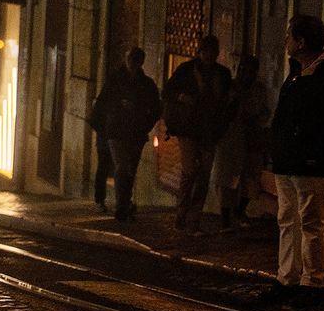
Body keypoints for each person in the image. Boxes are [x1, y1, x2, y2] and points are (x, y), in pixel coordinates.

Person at [265, 14, 324, 299]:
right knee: (288, 219)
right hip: (287, 161)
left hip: (312, 162)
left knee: (312, 221)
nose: (285, 42)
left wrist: (314, 147)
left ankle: (311, 282)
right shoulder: (295, 73)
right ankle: (287, 278)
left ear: (302, 42)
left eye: (289, 36)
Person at [162, 34, 233, 232]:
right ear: (199, 52)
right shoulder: (186, 71)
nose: (208, 56)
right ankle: (182, 214)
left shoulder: (223, 75)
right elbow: (167, 91)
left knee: (203, 175)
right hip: (188, 129)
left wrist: (222, 122)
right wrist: (182, 97)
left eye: (212, 52)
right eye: (205, 51)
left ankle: (193, 219)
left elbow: (228, 103)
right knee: (189, 171)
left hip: (210, 131)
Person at [87, 48, 163, 221]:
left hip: (136, 133)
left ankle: (125, 201)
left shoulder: (146, 85)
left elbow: (155, 108)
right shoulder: (115, 81)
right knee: (121, 166)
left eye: (137, 61)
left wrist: (142, 120)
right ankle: (122, 205)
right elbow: (103, 103)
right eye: (131, 60)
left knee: (130, 170)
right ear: (126, 60)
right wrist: (103, 127)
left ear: (141, 62)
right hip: (116, 131)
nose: (133, 64)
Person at [212, 54, 270, 228]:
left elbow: (265, 111)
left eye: (249, 71)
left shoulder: (259, 90)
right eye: (242, 70)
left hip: (252, 136)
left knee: (251, 175)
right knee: (228, 177)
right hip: (231, 136)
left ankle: (240, 210)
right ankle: (225, 216)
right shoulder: (230, 87)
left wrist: (259, 119)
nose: (245, 74)